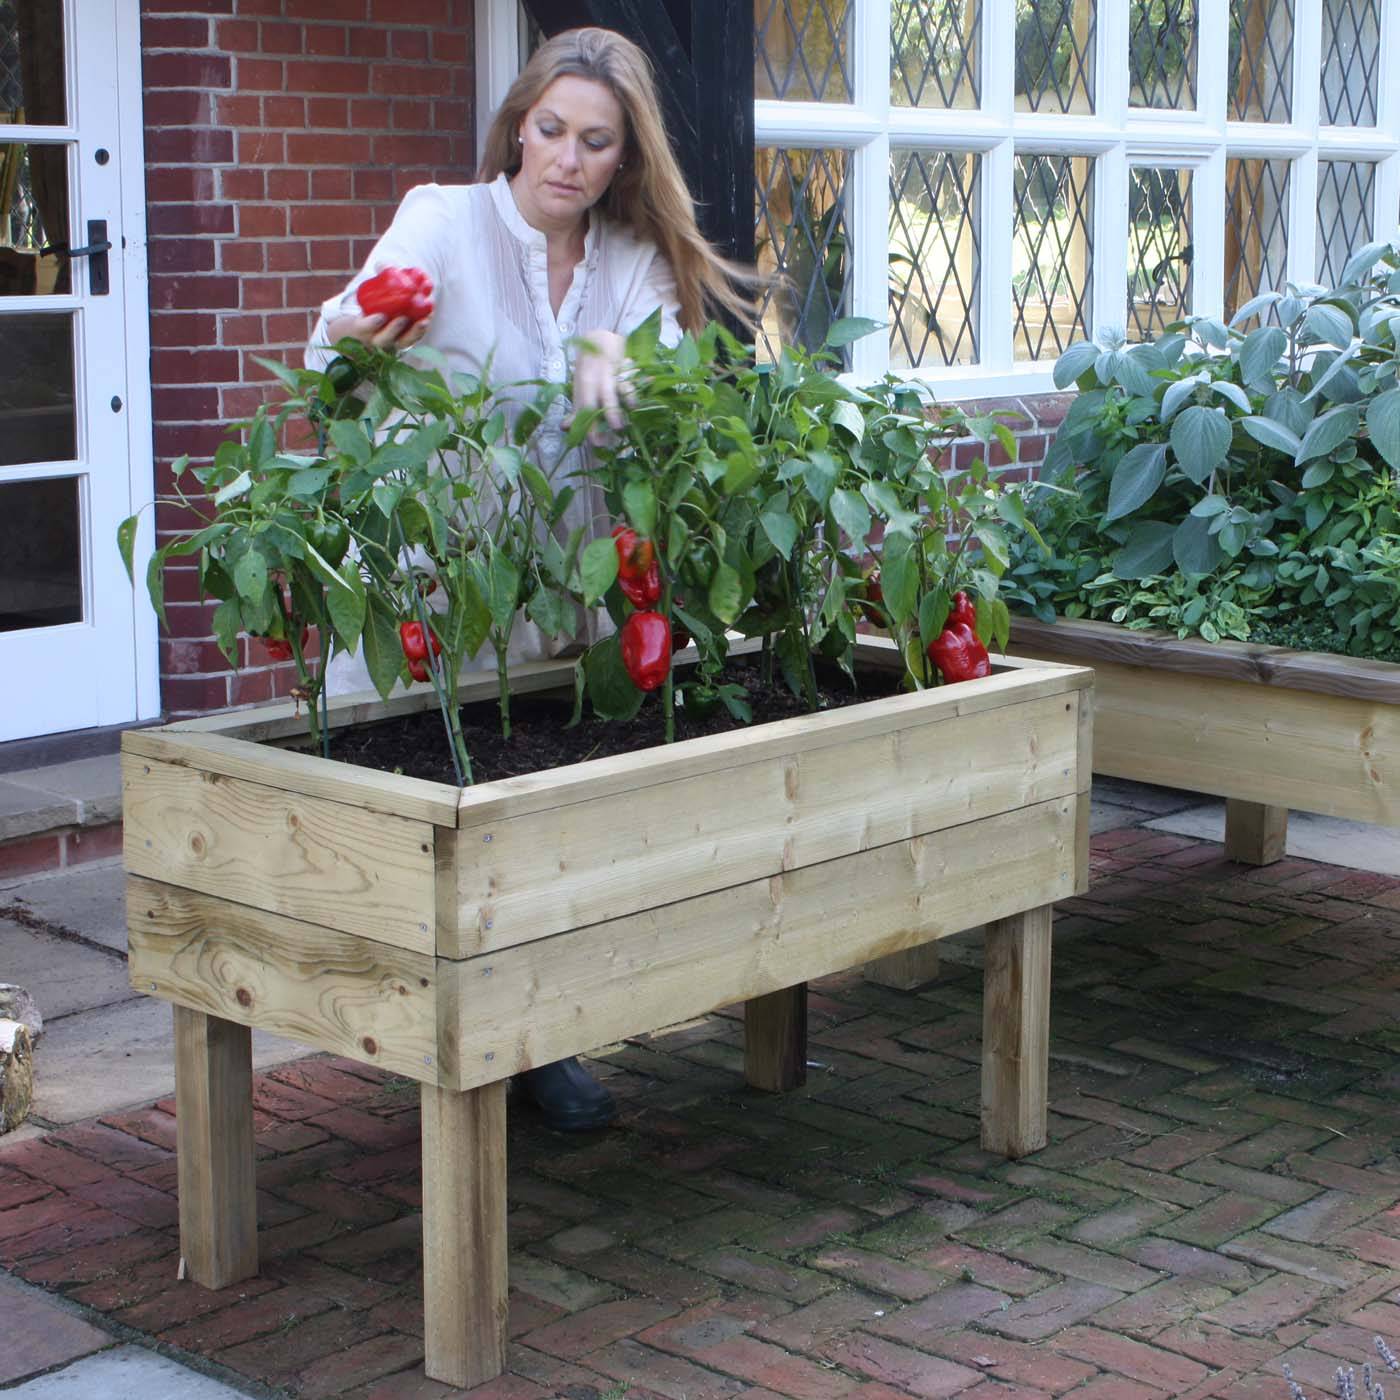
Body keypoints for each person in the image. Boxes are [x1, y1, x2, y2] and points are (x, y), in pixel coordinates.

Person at [304, 27, 754, 1133]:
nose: (565, 156)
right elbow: (331, 352)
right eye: (549, 129)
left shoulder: (628, 260)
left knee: (534, 819)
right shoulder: (442, 219)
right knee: (431, 816)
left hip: (556, 582)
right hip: (434, 575)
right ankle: (434, 1041)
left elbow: (649, 389)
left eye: (594, 141)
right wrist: (363, 332)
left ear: (621, 158)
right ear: (518, 125)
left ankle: (534, 1041)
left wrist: (624, 365)